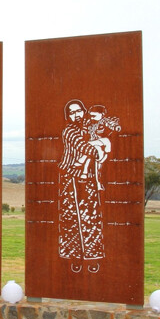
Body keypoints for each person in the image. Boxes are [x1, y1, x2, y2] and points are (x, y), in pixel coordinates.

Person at [58, 99, 105, 272]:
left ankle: (92, 257)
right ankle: (74, 256)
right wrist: (97, 150)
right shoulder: (69, 131)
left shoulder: (89, 129)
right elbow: (83, 147)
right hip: (70, 177)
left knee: (90, 217)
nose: (76, 115)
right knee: (71, 218)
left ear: (84, 111)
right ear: (67, 116)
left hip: (89, 178)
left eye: (79, 111)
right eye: (72, 112)